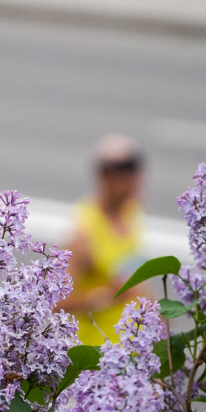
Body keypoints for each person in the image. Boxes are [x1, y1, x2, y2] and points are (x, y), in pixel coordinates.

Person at [58, 134, 150, 345]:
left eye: (135, 171)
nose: (133, 181)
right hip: (98, 355)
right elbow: (59, 303)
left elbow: (134, 271)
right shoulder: (83, 232)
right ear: (105, 176)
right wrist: (103, 297)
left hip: (131, 348)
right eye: (124, 173)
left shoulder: (131, 213)